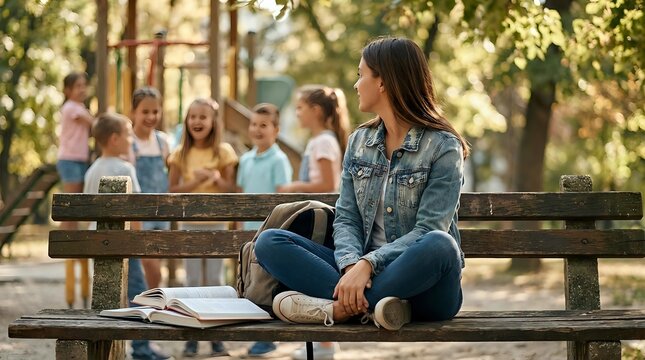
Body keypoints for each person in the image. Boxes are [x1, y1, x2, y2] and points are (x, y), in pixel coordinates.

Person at [256, 36, 469, 339]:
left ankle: (336, 309)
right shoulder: (359, 142)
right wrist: (350, 265)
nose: (356, 84)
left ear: (383, 81)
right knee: (269, 242)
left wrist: (369, 265)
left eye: (361, 74)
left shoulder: (443, 147)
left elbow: (428, 229)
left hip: (427, 287)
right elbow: (347, 218)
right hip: (361, 273)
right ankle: (379, 306)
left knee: (441, 244)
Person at [83, 113, 170, 360]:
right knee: (139, 295)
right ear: (114, 139)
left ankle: (105, 349)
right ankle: (142, 350)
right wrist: (138, 242)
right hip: (124, 246)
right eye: (128, 134)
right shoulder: (125, 168)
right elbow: (136, 211)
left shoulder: (92, 171)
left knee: (107, 296)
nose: (131, 139)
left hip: (98, 246)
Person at [277, 86, 350, 360]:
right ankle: (322, 342)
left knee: (311, 281)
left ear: (316, 111)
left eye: (300, 108)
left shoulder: (323, 142)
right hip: (318, 218)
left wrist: (292, 186)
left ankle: (325, 344)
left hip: (323, 219)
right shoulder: (320, 140)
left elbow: (329, 185)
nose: (297, 113)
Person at [168, 98, 238, 358]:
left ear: (213, 122)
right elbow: (172, 190)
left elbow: (233, 189)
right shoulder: (179, 154)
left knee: (215, 280)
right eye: (192, 116)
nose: (197, 121)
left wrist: (217, 180)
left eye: (203, 117)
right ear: (186, 121)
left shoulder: (224, 152)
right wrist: (193, 183)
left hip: (217, 223)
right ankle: (192, 336)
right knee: (194, 280)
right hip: (190, 225)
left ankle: (217, 337)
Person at [236, 103, 293, 357]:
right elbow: (240, 195)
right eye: (253, 124)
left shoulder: (279, 160)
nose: (257, 130)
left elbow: (282, 198)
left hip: (269, 230)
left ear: (276, 130)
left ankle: (267, 336)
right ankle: (255, 332)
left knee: (266, 284)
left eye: (263, 125)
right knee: (249, 283)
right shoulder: (245, 159)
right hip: (248, 231)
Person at [56, 72, 94, 309]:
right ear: (68, 90)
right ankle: (66, 235)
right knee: (71, 206)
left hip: (79, 159)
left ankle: (73, 233)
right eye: (77, 86)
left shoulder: (79, 107)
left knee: (78, 206)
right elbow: (94, 123)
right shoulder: (71, 107)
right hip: (69, 159)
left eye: (84, 85)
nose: (82, 89)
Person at [128, 87, 170, 289]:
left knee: (155, 265)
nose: (151, 116)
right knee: (147, 264)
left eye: (155, 112)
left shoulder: (162, 142)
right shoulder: (128, 142)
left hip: (160, 211)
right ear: (133, 112)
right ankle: (143, 301)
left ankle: (153, 302)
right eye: (145, 112)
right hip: (138, 213)